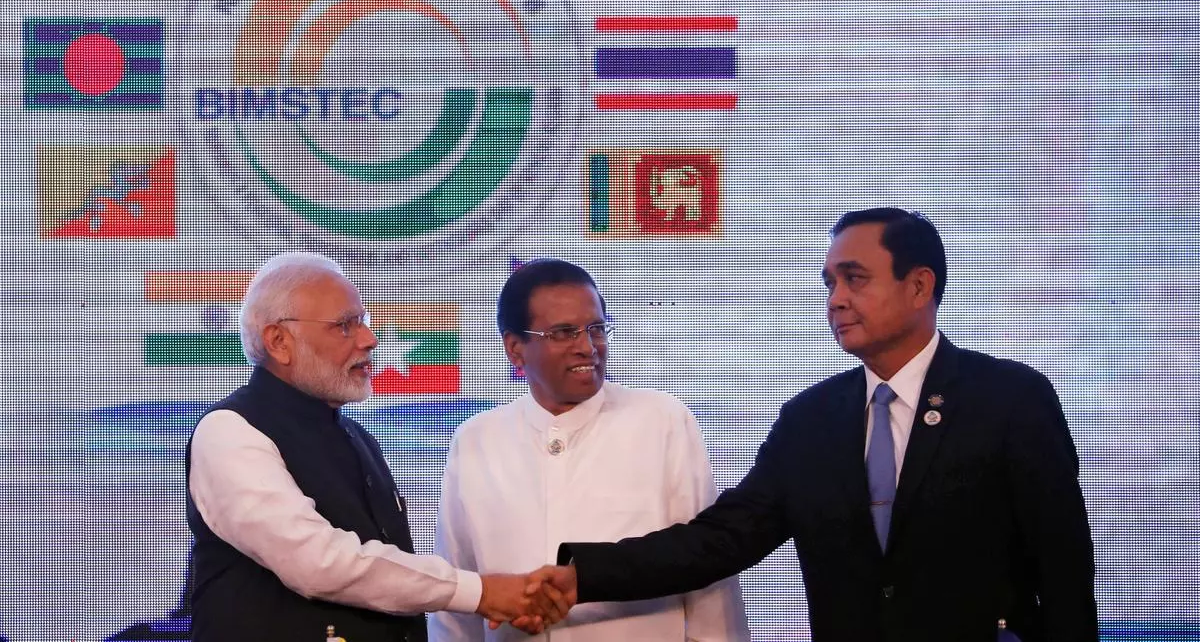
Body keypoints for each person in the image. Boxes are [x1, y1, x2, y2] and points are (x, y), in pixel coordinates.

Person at [532, 209, 1099, 642]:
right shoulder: (812, 420)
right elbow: (723, 538)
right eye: (830, 283)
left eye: (854, 279)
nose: (836, 300)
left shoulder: (1009, 398)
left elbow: (1065, 569)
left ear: (919, 286)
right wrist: (585, 576)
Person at [186, 251, 565, 641]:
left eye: (363, 321)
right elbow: (319, 563)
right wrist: (482, 592)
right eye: (345, 325)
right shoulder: (230, 432)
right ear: (279, 342)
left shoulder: (358, 438)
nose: (370, 339)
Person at [428, 259, 749, 640]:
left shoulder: (661, 420)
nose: (587, 347)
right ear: (515, 349)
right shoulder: (476, 439)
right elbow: (460, 592)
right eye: (564, 333)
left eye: (596, 329)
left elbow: (705, 569)